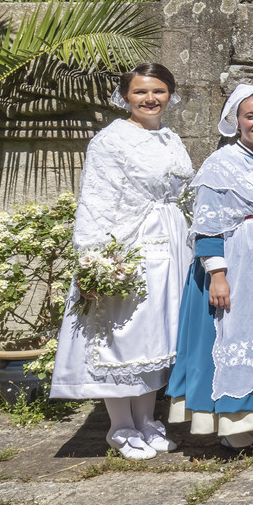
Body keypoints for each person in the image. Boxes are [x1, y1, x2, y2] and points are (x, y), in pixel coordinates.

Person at [49, 64, 195, 460]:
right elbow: (95, 201)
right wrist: (93, 258)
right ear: (125, 96)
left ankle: (147, 420)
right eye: (141, 92)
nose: (150, 99)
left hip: (173, 246)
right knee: (124, 334)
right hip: (130, 247)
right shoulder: (110, 141)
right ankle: (120, 426)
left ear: (171, 94)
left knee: (159, 335)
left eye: (159, 91)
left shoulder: (170, 137)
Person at [166, 85, 253, 454]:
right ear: (235, 122)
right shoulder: (220, 165)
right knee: (231, 341)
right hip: (233, 266)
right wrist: (217, 276)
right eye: (250, 116)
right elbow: (207, 225)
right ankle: (231, 429)